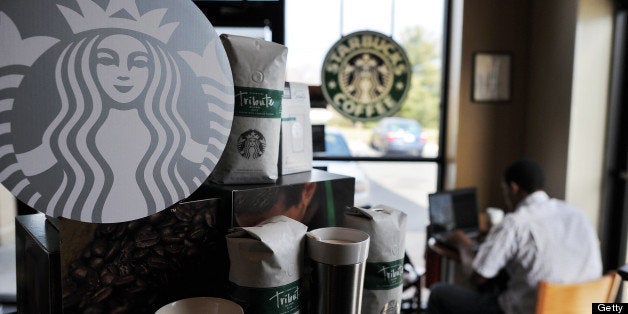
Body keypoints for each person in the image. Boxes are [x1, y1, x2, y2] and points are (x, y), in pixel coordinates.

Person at [426, 158, 602, 314]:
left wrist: (463, 245)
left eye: (505, 189)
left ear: (514, 188)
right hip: (581, 307)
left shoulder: (515, 222)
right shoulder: (577, 214)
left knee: (438, 293)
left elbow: (478, 277)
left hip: (527, 309)